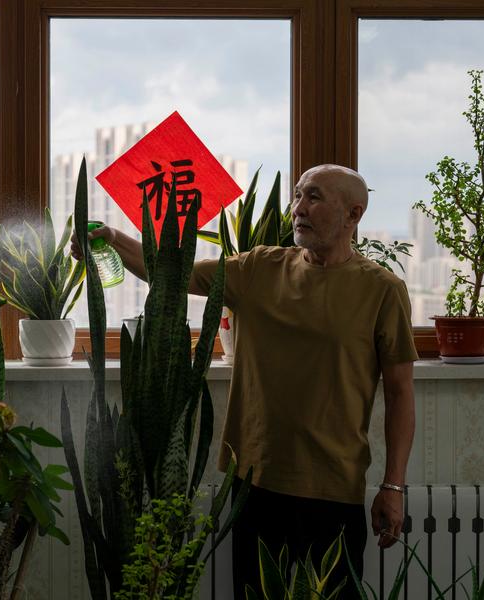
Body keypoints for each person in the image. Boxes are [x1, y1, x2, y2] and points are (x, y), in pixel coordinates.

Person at [70, 164, 417, 599]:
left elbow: (400, 394)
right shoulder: (259, 268)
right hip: (254, 483)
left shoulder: (383, 290)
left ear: (354, 214)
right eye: (297, 195)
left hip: (334, 488)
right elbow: (174, 271)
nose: (298, 208)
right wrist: (112, 239)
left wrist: (393, 485)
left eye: (313, 197)